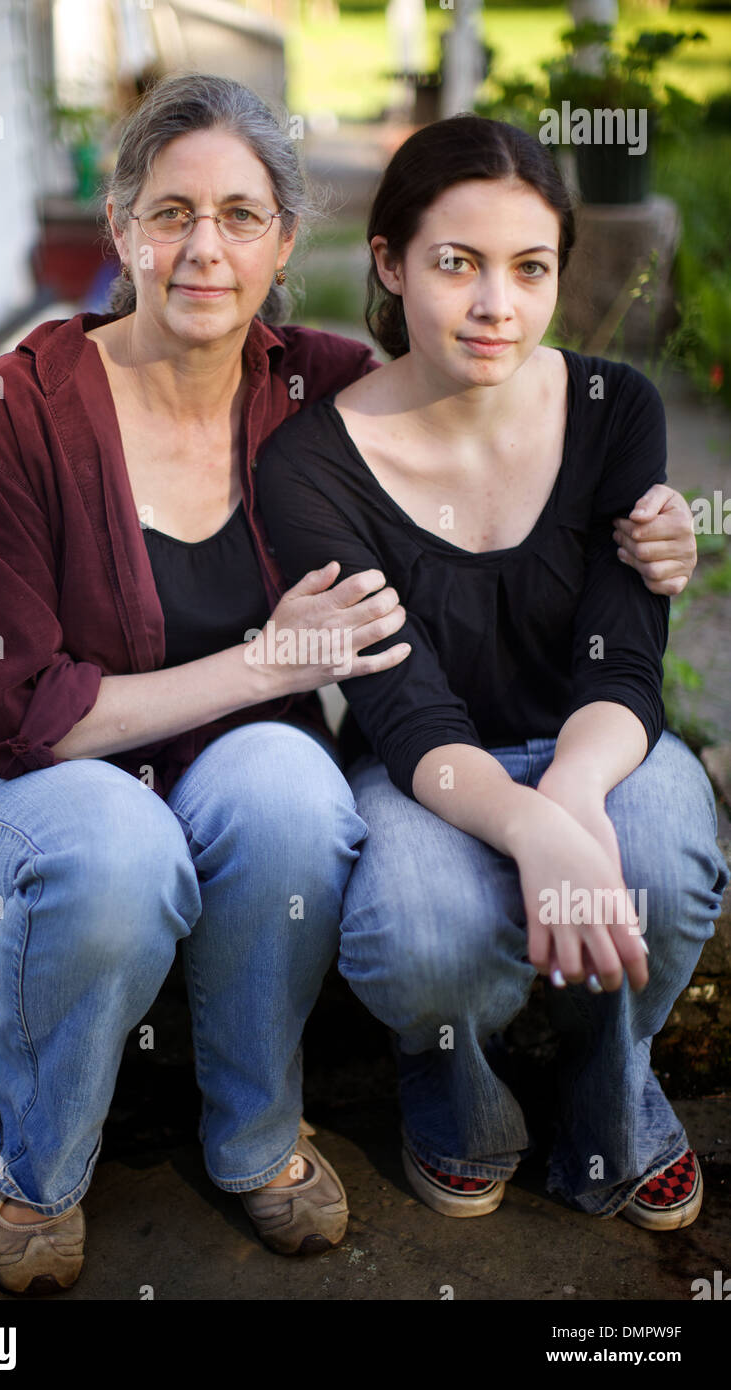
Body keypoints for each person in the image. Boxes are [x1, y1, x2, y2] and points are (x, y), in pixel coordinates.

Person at [0, 80, 696, 1295]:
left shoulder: (311, 385)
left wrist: (643, 537)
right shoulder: (19, 410)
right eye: (169, 213)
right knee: (120, 851)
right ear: (120, 229)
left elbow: (465, 432)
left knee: (291, 791)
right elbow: (13, 711)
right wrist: (265, 663)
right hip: (32, 776)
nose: (202, 249)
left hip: (229, 761)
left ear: (286, 241)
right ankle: (35, 1174)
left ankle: (258, 1143)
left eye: (238, 214)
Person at [255, 113, 728, 1232]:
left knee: (661, 860)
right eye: (454, 264)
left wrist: (565, 797)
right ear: (387, 262)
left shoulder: (616, 409)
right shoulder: (310, 461)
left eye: (529, 268)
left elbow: (624, 656)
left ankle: (608, 1089)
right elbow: (404, 706)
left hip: (595, 739)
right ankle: (457, 1092)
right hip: (423, 767)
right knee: (420, 929)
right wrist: (523, 827)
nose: (494, 306)